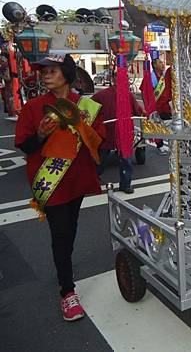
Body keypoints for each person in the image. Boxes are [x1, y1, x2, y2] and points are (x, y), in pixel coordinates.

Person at [15, 53, 105, 322]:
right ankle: (67, 291)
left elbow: (98, 141)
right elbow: (24, 146)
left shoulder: (85, 105)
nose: (45, 75)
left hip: (76, 180)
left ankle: (63, 265)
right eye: (43, 71)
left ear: (67, 75)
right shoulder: (34, 107)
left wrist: (82, 131)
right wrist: (41, 133)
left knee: (71, 228)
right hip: (50, 182)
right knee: (61, 233)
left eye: (51, 71)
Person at [92, 74, 145, 194]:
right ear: (113, 79)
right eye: (118, 78)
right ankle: (93, 178)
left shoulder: (128, 95)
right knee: (101, 158)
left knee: (126, 160)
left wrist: (146, 113)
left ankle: (125, 184)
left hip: (124, 132)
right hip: (107, 131)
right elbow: (89, 106)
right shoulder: (102, 95)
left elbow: (138, 110)